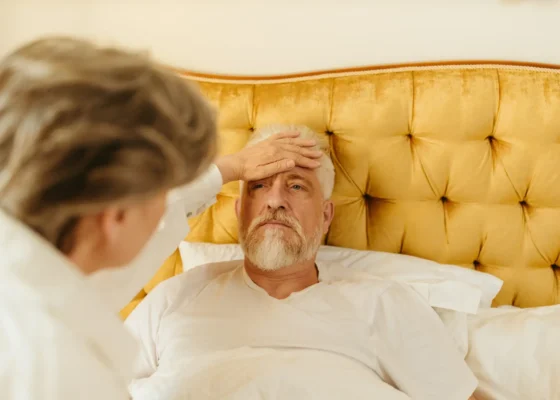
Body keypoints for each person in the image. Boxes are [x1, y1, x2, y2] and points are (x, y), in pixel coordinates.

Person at [0, 38, 322, 400]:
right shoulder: (53, 366)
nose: (165, 215)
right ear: (117, 212)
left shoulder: (31, 290)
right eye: (165, 191)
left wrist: (229, 168)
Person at [125, 124, 480, 400]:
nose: (275, 200)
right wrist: (229, 167)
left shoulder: (382, 303)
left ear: (326, 216)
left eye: (296, 186)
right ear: (239, 210)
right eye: (259, 186)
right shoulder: (175, 298)